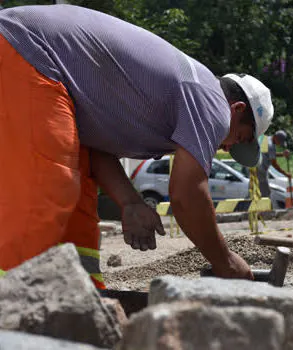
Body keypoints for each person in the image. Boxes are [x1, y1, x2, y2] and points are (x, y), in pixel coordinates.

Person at [0, 5, 274, 287]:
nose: (228, 148)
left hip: (32, 56)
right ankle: (12, 303)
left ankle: (79, 298)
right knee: (48, 186)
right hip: (27, 48)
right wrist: (225, 261)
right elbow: (187, 196)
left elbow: (96, 149)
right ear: (237, 109)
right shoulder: (213, 103)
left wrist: (130, 202)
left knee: (77, 194)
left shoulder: (169, 107)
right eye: (240, 138)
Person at [257, 131, 292, 199]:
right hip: (261, 170)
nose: (279, 144)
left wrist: (282, 154)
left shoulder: (266, 139)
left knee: (257, 190)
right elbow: (274, 164)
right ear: (275, 137)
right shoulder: (271, 146)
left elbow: (268, 154)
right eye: (279, 142)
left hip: (256, 168)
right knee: (265, 193)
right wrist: (285, 174)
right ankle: (266, 209)